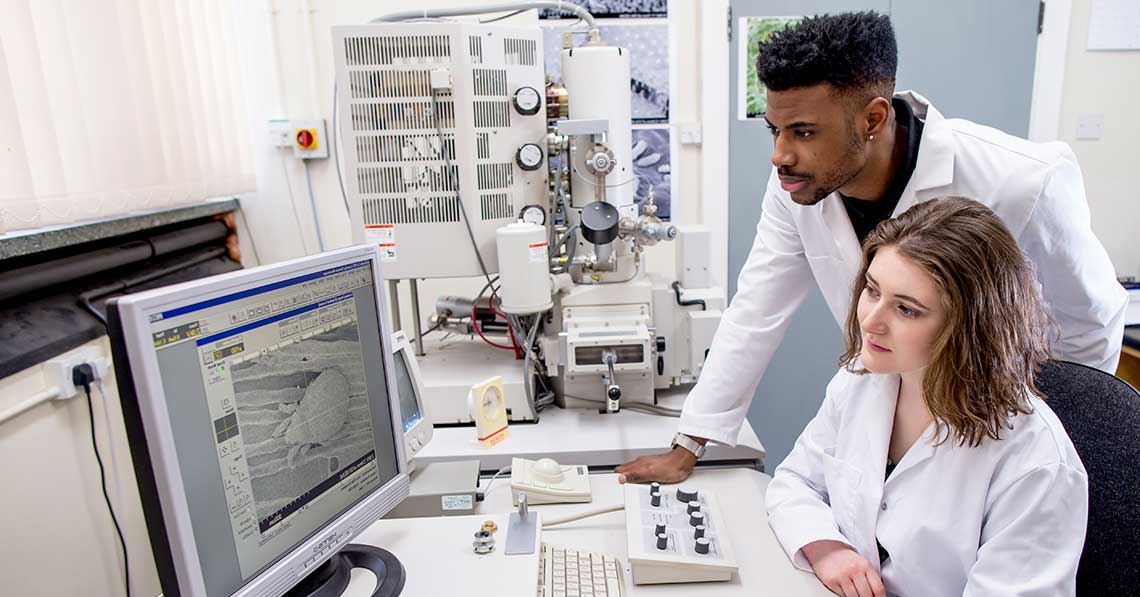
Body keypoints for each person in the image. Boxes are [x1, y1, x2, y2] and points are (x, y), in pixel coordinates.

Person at [615, 11, 1126, 484]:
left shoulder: (1020, 182)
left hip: (993, 423)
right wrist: (690, 444)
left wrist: (1052, 451)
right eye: (774, 130)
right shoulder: (797, 188)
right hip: (884, 410)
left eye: (804, 132)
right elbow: (755, 309)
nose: (779, 155)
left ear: (873, 120)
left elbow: (1090, 322)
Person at [766, 197, 1088, 597]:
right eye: (872, 289)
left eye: (906, 309)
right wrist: (827, 548)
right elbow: (795, 481)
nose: (871, 320)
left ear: (970, 326)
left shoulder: (1035, 463)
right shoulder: (861, 380)